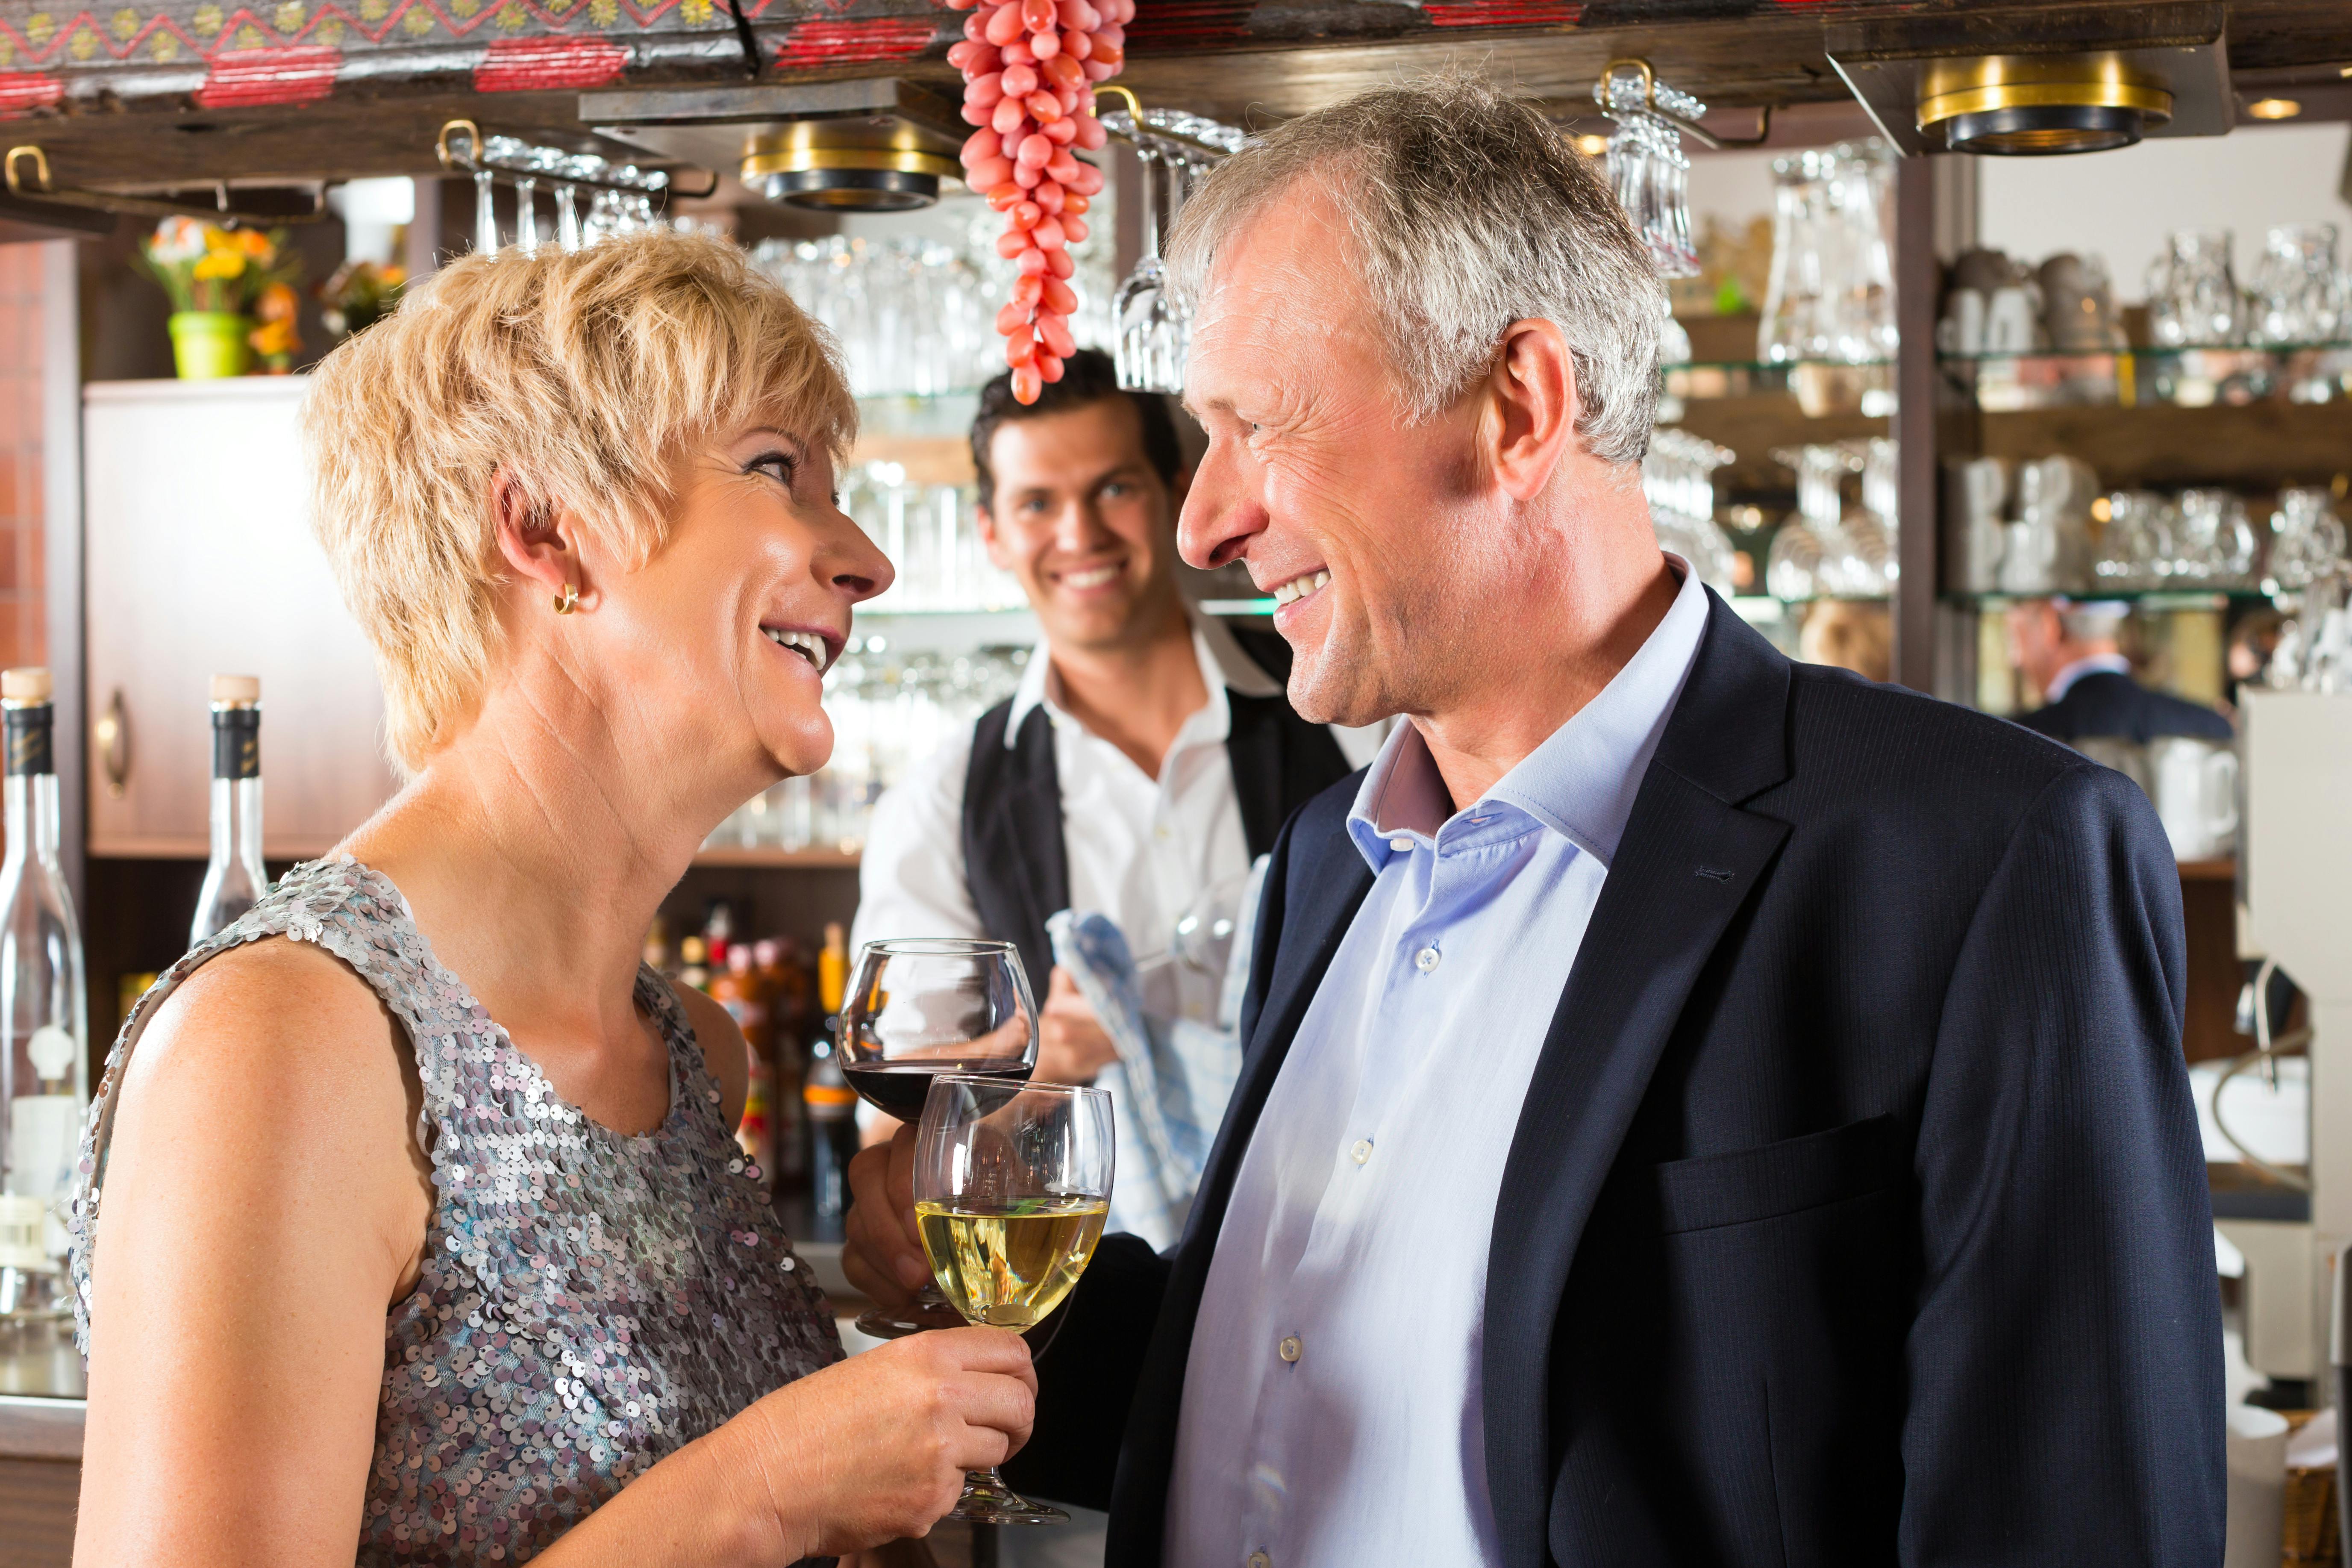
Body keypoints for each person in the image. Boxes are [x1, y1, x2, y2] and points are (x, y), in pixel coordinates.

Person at [847, 80, 2224, 1567]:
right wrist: (986, 1310)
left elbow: (2072, 1514)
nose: (1203, 524)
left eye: (1258, 423)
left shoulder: (1979, 857)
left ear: (1519, 405)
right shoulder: (1328, 861)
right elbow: (1290, 1377)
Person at [67, 232, 1037, 1568]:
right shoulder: (283, 1045)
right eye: (773, 470)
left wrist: (917, 1364)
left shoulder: (695, 1052)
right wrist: (759, 1488)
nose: (862, 556)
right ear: (542, 530)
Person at [852, 349, 1362, 1098]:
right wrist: (1034, 1056)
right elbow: (892, 1143)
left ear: (1175, 494)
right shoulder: (940, 803)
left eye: (1113, 487)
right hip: (1081, 1219)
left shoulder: (1345, 703)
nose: (1079, 533)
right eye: (1036, 504)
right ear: (991, 532)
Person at [2010, 596, 2234, 744]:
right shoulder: (2210, 726)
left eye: (2015, 638)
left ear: (2051, 627)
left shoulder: (2018, 739)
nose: (2016, 659)